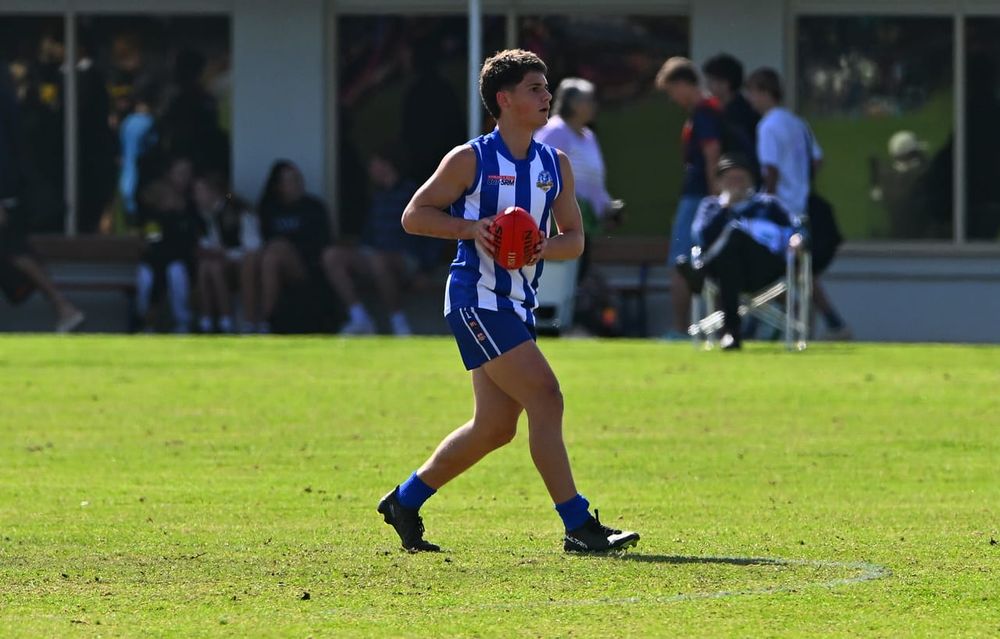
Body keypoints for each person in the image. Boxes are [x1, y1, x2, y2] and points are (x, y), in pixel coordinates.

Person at [377, 49, 640, 554]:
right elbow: (415, 215)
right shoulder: (470, 159)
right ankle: (578, 525)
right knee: (547, 396)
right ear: (505, 99)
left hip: (518, 305)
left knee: (495, 427)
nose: (547, 97)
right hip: (476, 299)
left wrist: (542, 245)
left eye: (546, 88)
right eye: (535, 89)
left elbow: (575, 240)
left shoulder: (553, 163)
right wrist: (472, 228)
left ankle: (404, 502)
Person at [746, 67, 851, 340]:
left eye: (754, 93)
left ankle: (774, 325)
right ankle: (825, 322)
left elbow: (769, 169)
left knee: (779, 270)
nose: (751, 100)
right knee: (799, 271)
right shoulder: (798, 123)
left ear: (764, 92)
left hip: (781, 210)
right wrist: (800, 181)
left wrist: (765, 204)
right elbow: (817, 159)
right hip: (801, 207)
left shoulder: (768, 126)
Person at [677, 154, 795, 350]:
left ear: (750, 181)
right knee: (729, 259)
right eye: (730, 179)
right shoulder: (711, 206)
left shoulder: (768, 205)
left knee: (736, 232)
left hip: (764, 268)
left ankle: (699, 272)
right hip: (725, 273)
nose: (736, 184)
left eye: (740, 179)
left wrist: (797, 239)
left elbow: (797, 228)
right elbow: (701, 237)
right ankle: (732, 333)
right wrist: (725, 208)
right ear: (720, 182)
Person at [0, 64, 84, 332]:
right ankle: (62, 306)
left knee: (15, 252)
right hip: (11, 187)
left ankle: (62, 305)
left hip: (7, 190)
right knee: (15, 251)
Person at [325, 145, 432, 336]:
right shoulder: (377, 195)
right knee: (332, 256)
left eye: (373, 164)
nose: (370, 170)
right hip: (373, 256)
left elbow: (431, 231)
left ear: (386, 165)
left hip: (407, 259)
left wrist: (426, 268)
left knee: (378, 260)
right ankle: (359, 318)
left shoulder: (412, 193)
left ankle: (399, 323)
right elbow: (369, 233)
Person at [655, 57, 723, 339]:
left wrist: (714, 198)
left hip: (699, 197)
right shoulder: (705, 111)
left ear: (684, 84)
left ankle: (680, 328)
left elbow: (712, 154)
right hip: (701, 196)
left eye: (672, 91)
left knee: (680, 260)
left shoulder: (705, 112)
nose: (673, 98)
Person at [257, 160, 336, 332]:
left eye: (298, 179)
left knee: (276, 251)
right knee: (268, 256)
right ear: (279, 186)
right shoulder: (270, 209)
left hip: (306, 266)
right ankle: (252, 322)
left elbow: (322, 244)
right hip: (273, 263)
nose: (297, 184)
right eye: (291, 180)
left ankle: (264, 320)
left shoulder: (314, 208)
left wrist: (287, 247)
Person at [133, 159, 203, 334]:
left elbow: (225, 196)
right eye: (180, 173)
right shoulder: (153, 208)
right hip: (158, 261)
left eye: (188, 173)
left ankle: (183, 321)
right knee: (146, 275)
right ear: (169, 175)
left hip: (186, 261)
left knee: (176, 271)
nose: (184, 178)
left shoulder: (195, 202)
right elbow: (153, 241)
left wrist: (229, 197)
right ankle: (147, 320)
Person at [192, 173, 262, 334]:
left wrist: (226, 254)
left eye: (200, 191)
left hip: (244, 264)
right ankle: (208, 318)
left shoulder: (240, 212)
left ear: (213, 192)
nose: (196, 196)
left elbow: (253, 247)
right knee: (206, 267)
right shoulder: (205, 215)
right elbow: (209, 242)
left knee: (215, 267)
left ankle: (227, 319)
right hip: (222, 263)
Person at [702, 53, 760, 179]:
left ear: (725, 83)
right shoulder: (716, 111)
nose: (708, 86)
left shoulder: (741, 114)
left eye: (711, 80)